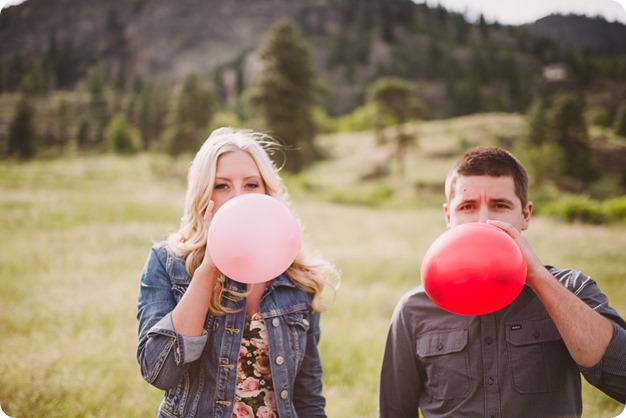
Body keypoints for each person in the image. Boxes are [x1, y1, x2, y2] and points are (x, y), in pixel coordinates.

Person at [378, 146, 626, 418]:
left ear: (525, 215)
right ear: (449, 217)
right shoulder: (414, 309)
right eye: (468, 206)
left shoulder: (572, 288)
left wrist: (536, 276)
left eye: (500, 205)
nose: (484, 220)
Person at [136, 127, 338, 418]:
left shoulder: (298, 277)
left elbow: (307, 395)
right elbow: (159, 372)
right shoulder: (168, 263)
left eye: (251, 184)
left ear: (267, 191)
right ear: (205, 196)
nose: (239, 197)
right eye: (222, 186)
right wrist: (209, 267)